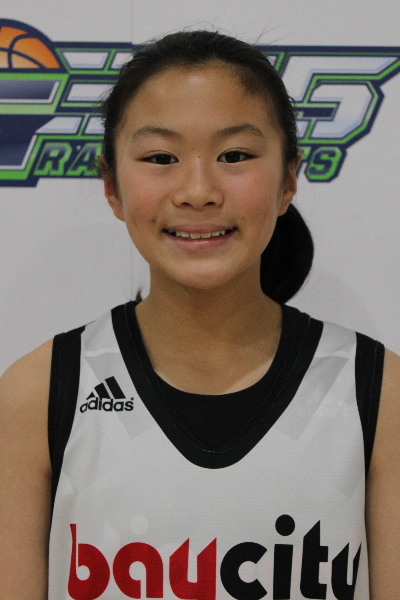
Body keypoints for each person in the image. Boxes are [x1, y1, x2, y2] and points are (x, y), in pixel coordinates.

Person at [0, 29, 399, 600]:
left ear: (288, 178)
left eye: (234, 156)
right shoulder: (37, 393)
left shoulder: (379, 391)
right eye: (160, 158)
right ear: (111, 184)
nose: (198, 190)